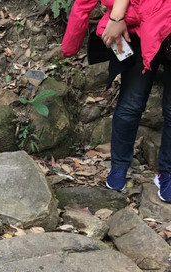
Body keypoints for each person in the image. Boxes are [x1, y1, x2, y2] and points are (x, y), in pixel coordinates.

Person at [62, 0, 171, 201]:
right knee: (131, 103)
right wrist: (117, 18)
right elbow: (82, 5)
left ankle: (168, 173)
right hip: (138, 28)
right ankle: (119, 166)